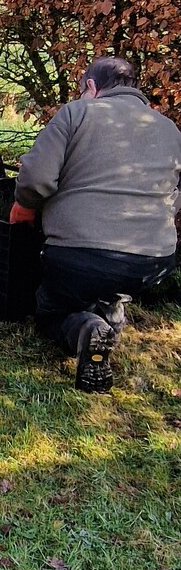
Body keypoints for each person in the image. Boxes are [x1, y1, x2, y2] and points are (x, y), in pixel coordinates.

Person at [12, 55, 181, 391]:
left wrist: (26, 207)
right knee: (111, 282)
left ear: (90, 86)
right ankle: (111, 319)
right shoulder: (168, 128)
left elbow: (36, 179)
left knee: (51, 307)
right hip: (152, 261)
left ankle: (86, 327)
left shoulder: (77, 112)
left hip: (79, 255)